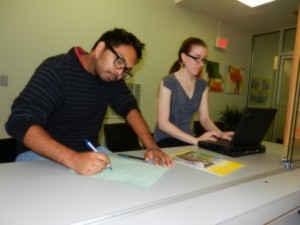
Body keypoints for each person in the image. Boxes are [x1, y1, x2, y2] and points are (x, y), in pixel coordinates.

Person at [5, 28, 173, 175]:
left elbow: (129, 107)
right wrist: (73, 159)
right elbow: (19, 122)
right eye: (119, 61)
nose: (120, 73)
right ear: (100, 48)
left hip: (89, 152)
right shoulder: (58, 68)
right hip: (39, 155)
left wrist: (152, 146)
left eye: (126, 70)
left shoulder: (111, 78)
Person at [153, 37, 234, 148]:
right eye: (197, 58)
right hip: (165, 139)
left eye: (204, 60)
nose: (200, 64)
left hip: (188, 138)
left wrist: (221, 134)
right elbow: (163, 123)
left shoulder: (202, 85)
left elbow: (205, 119)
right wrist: (196, 140)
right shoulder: (168, 82)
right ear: (184, 57)